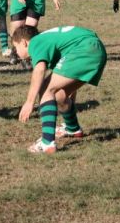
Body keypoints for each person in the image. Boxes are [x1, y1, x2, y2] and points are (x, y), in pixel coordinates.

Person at [14, 25, 107, 154]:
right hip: (96, 49)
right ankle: (73, 128)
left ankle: (47, 143)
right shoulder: (48, 40)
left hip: (84, 49)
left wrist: (29, 102)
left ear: (24, 42)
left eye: (16, 47)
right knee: (60, 96)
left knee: (46, 89)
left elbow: (40, 69)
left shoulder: (35, 42)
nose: (16, 52)